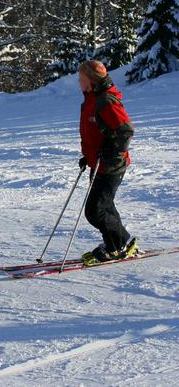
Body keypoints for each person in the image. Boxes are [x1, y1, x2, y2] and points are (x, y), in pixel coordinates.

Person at [77, 60, 138, 265]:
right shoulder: (92, 99)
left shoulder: (105, 100)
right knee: (104, 206)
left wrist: (110, 150)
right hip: (99, 162)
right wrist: (89, 155)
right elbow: (96, 132)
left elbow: (125, 130)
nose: (78, 81)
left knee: (96, 210)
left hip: (112, 164)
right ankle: (121, 242)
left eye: (81, 78)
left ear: (91, 80)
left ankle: (117, 246)